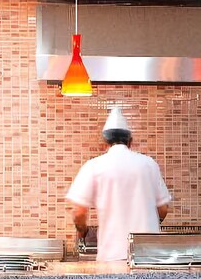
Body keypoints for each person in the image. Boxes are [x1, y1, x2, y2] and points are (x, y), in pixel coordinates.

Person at [66, 106, 172, 262]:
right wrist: (151, 223)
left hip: (112, 256)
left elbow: (79, 212)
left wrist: (82, 231)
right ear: (130, 142)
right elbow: (163, 208)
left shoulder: (94, 166)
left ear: (105, 143)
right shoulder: (149, 164)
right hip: (148, 257)